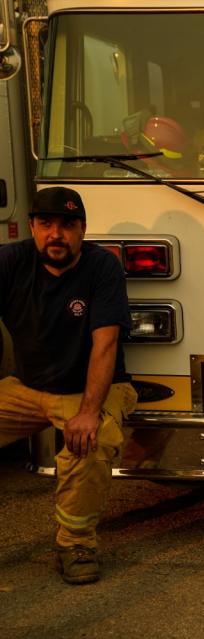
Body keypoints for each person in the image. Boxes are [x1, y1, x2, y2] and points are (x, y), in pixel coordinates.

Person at [0, 187, 137, 585]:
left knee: (87, 442)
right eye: (46, 224)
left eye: (67, 225)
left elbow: (105, 343)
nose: (55, 234)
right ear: (32, 227)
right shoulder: (10, 262)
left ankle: (75, 544)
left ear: (82, 230)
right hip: (28, 389)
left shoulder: (102, 268)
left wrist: (89, 413)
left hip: (92, 388)